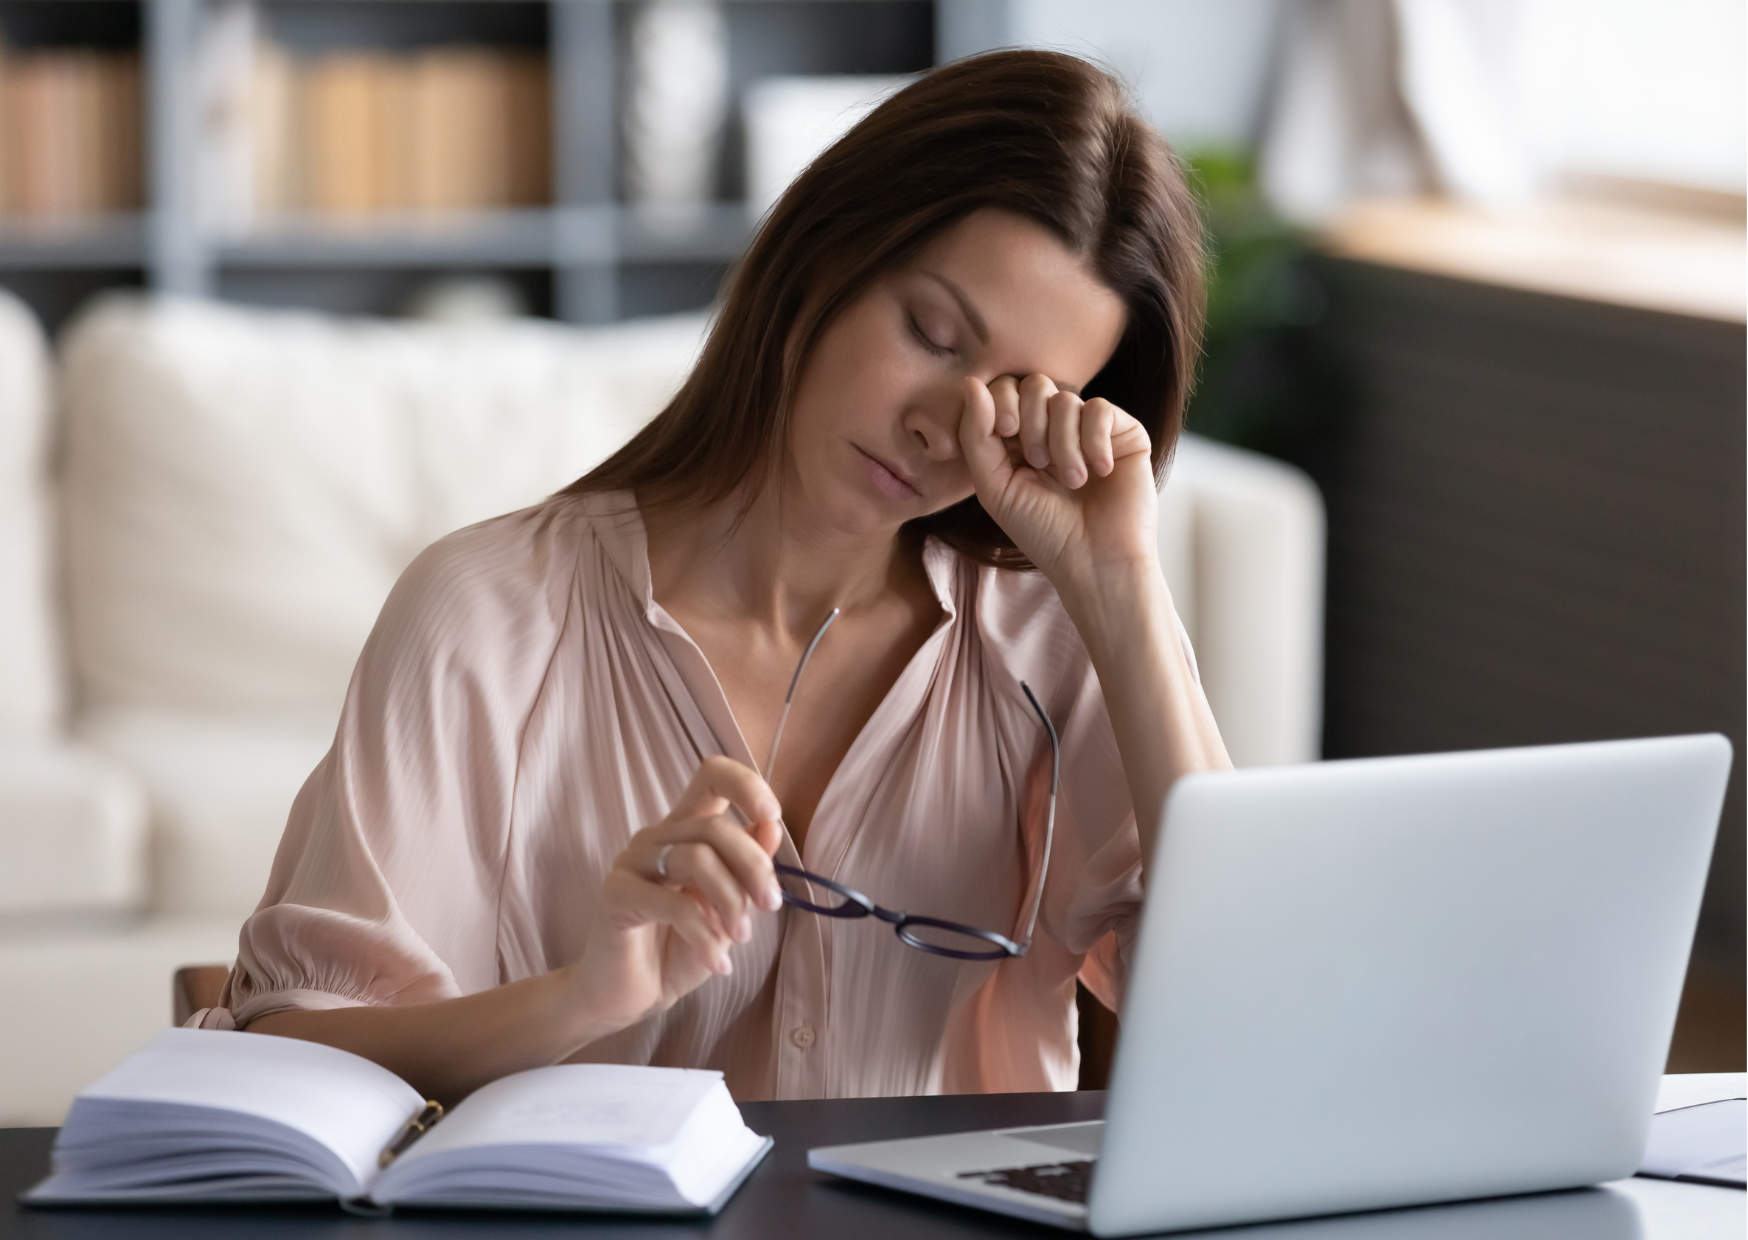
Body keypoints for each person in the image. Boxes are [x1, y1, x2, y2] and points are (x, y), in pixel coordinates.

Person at [198, 49, 1230, 1105]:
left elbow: (1246, 1024)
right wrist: (583, 997)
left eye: (1016, 398)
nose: (942, 425)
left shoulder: (1064, 638)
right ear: (822, 261)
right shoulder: (487, 617)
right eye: (929, 332)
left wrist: (1121, 583)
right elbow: (287, 1058)